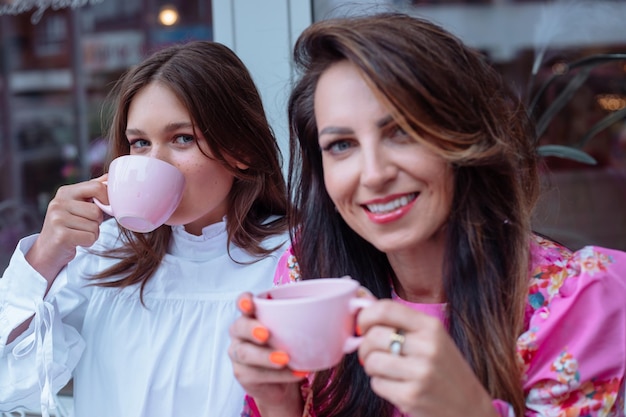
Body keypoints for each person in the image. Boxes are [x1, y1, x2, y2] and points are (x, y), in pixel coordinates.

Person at [228, 13, 626, 417]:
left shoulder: (572, 304)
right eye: (342, 145)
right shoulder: (309, 276)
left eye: (401, 131)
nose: (374, 174)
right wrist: (278, 403)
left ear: (464, 137)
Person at [0, 41, 290, 417]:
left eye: (182, 138)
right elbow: (12, 387)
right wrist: (44, 258)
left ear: (241, 150)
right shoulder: (102, 253)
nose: (156, 162)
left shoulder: (292, 259)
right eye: (140, 143)